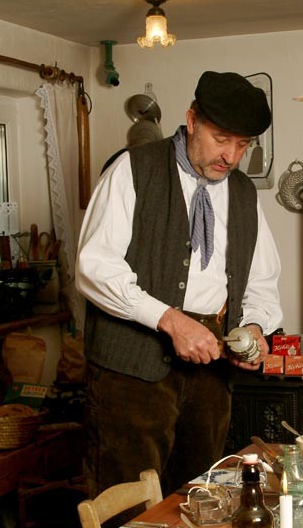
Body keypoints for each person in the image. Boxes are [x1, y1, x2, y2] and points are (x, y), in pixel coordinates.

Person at [76, 71, 282, 497]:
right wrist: (169, 320)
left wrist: (258, 328)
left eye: (242, 145)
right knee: (126, 501)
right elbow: (94, 267)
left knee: (200, 499)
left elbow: (261, 280)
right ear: (191, 120)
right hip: (132, 373)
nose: (231, 156)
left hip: (210, 378)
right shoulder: (132, 169)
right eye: (221, 138)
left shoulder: (243, 193)